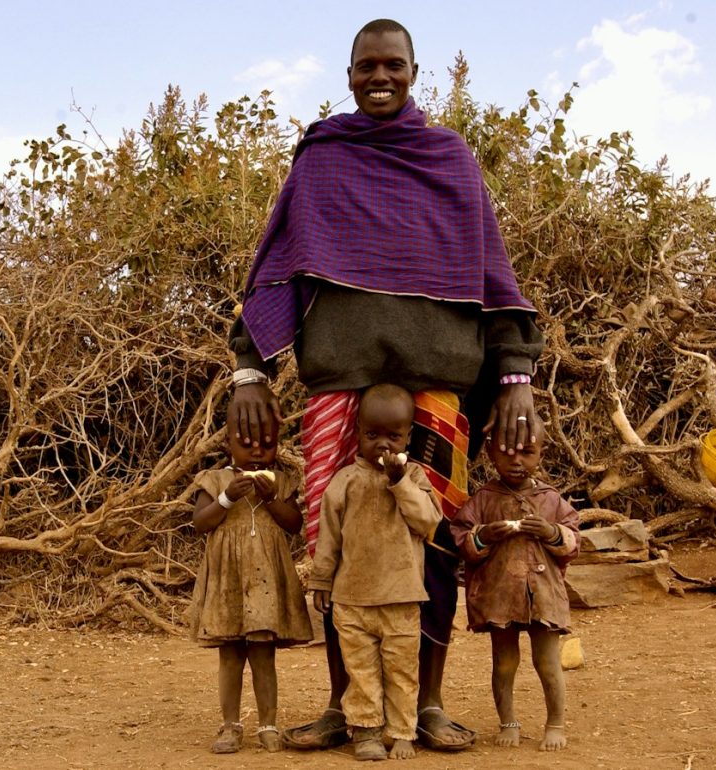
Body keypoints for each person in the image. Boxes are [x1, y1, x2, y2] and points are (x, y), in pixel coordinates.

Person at [229, 17, 544, 752]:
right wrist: (249, 368)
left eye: (393, 65)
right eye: (365, 66)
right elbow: (277, 268)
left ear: (414, 71)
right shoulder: (322, 158)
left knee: (432, 551)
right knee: (338, 549)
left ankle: (424, 704)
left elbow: (494, 279)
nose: (380, 77)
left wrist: (516, 376)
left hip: (438, 393)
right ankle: (349, 705)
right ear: (347, 75)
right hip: (342, 389)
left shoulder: (449, 158)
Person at [308, 384, 441, 760]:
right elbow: (329, 538)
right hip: (352, 600)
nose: (383, 445)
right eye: (372, 435)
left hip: (401, 598)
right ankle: (365, 730)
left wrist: (399, 482)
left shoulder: (414, 478)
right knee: (361, 671)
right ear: (357, 431)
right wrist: (321, 579)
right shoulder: (345, 481)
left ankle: (402, 732)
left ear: (408, 436)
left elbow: (428, 520)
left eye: (394, 436)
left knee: (401, 671)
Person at [189, 399, 314, 754]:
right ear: (229, 441)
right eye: (247, 443)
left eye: (268, 443)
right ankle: (230, 726)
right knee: (230, 655)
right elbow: (201, 523)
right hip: (228, 582)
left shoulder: (283, 482)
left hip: (265, 585)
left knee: (263, 654)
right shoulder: (213, 480)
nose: (258, 451)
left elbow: (294, 525)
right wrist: (227, 499)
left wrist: (273, 499)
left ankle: (268, 725)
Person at [450, 420, 578, 751]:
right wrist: (483, 536)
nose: (517, 461)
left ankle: (555, 723)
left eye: (527, 453)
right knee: (505, 662)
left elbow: (573, 538)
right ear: (491, 453)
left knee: (547, 662)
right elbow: (461, 535)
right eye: (507, 453)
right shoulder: (483, 499)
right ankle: (509, 722)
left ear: (542, 454)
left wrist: (551, 533)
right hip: (500, 595)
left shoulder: (550, 499)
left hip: (543, 594)